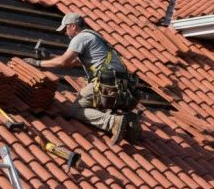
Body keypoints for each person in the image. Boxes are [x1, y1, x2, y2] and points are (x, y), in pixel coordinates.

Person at [24, 12, 139, 144]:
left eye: (65, 29)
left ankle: (112, 122)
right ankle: (129, 121)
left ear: (73, 26)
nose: (65, 33)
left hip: (106, 81)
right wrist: (50, 55)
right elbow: (75, 63)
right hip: (120, 83)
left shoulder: (81, 37)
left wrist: (37, 63)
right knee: (97, 106)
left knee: (75, 110)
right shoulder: (93, 37)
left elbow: (64, 62)